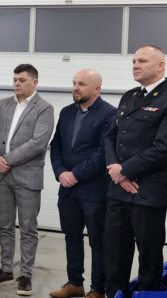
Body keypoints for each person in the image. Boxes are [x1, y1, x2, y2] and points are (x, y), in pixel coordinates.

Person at [0, 63, 54, 296]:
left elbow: (38, 143)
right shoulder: (3, 104)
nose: (16, 83)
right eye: (14, 79)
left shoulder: (44, 108)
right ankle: (6, 270)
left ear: (35, 82)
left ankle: (25, 275)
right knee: (4, 226)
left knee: (28, 228)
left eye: (22, 80)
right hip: (1, 175)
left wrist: (6, 160)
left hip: (27, 176)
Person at [104, 45, 167, 298]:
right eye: (133, 61)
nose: (135, 65)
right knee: (114, 253)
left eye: (142, 61)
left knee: (149, 258)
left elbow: (163, 147)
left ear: (160, 65)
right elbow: (110, 136)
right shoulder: (129, 96)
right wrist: (116, 172)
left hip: (148, 191)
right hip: (118, 189)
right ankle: (114, 294)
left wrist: (126, 171)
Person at [49, 69, 116, 298]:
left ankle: (97, 289)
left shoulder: (109, 114)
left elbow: (103, 152)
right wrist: (60, 173)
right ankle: (75, 283)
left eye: (82, 84)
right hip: (67, 190)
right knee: (72, 237)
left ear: (96, 89)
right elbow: (56, 145)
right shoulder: (67, 112)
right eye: (74, 83)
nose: (76, 87)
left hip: (94, 191)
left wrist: (75, 175)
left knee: (98, 242)